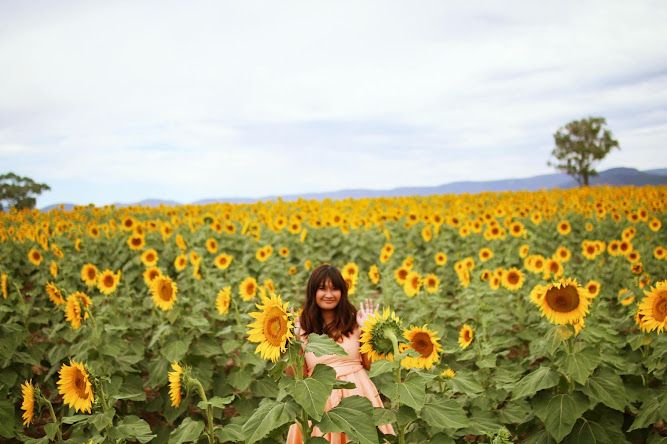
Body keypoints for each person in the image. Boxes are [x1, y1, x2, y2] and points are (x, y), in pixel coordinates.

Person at [285, 264, 395, 443]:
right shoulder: (301, 327)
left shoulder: (355, 321)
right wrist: (292, 342)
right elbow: (298, 376)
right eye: (322, 289)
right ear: (313, 292)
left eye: (334, 288)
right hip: (321, 398)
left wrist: (370, 330)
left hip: (358, 393)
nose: (329, 294)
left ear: (342, 292)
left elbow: (369, 365)